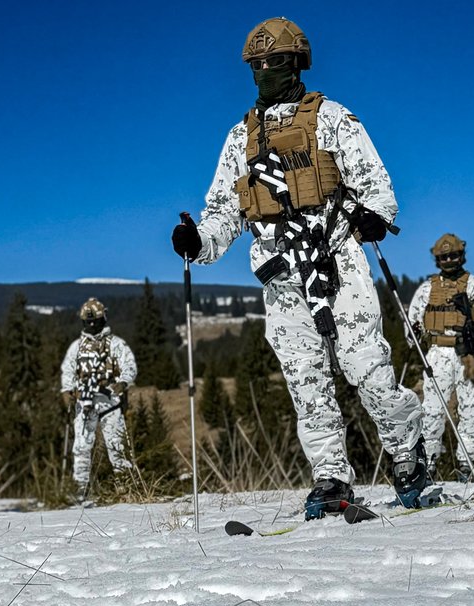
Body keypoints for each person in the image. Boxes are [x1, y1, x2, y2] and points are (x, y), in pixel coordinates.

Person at [170, 17, 428, 514]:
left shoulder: (333, 118)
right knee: (306, 381)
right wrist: (197, 240)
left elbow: (376, 183)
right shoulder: (238, 139)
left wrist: (375, 216)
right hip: (280, 274)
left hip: (336, 259)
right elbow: (224, 211)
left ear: (297, 64)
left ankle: (407, 450)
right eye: (257, 65)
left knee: (365, 368)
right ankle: (331, 479)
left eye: (276, 63)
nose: (266, 72)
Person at [405, 233, 474, 481]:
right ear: (437, 259)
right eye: (443, 256)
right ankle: (429, 463)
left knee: (471, 409)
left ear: (462, 255)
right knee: (432, 410)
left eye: (453, 255)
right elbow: (413, 323)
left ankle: (466, 465)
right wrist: (413, 332)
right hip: (437, 353)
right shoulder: (427, 289)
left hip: (467, 354)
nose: (449, 260)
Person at [59, 299, 137, 502]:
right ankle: (80, 489)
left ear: (103, 318)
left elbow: (129, 366)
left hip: (110, 403)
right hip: (85, 405)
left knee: (117, 444)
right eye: (88, 322)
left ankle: (125, 487)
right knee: (82, 447)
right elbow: (68, 370)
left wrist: (123, 383)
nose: (92, 325)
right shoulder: (77, 347)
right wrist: (67, 390)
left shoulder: (116, 344)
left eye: (96, 321)